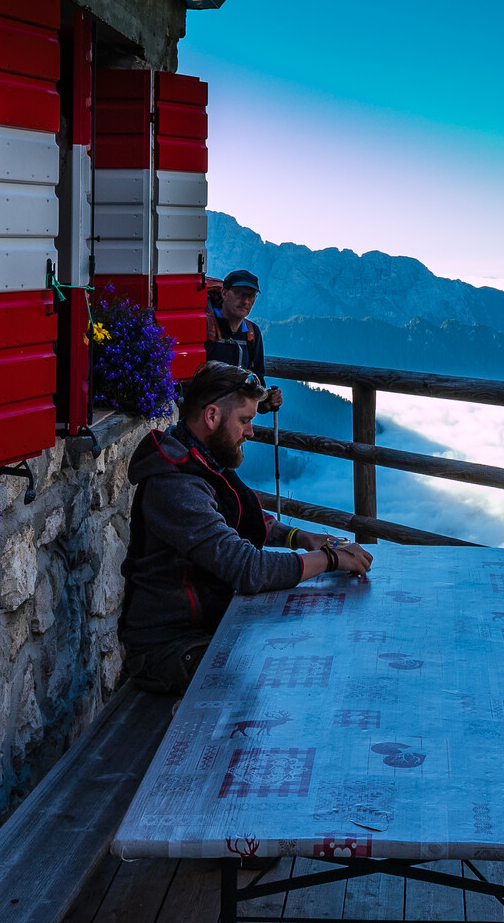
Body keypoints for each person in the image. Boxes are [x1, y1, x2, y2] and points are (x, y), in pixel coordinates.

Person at [118, 361, 372, 693]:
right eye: (244, 420)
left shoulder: (201, 459)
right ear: (212, 416)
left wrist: (299, 537)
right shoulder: (175, 485)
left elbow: (240, 514)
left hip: (203, 627)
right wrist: (330, 560)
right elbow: (247, 568)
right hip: (167, 647)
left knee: (298, 648)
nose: (250, 432)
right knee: (279, 675)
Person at [205, 268, 264, 370]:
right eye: (239, 293)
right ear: (224, 293)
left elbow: (258, 375)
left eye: (251, 295)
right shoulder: (206, 326)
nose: (245, 301)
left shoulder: (253, 333)